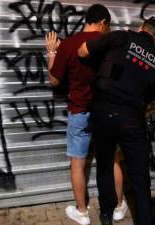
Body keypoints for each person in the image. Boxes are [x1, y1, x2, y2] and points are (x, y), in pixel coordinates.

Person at [77, 17, 155, 225]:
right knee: (140, 176)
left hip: (104, 113)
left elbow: (82, 51)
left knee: (105, 165)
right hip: (132, 120)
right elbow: (149, 99)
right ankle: (145, 220)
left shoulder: (121, 37)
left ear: (141, 28)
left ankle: (107, 214)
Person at [45, 4, 111, 225]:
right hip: (106, 112)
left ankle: (82, 213)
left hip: (79, 111)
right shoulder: (109, 46)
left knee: (77, 164)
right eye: (107, 27)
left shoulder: (71, 44)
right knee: (113, 160)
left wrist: (52, 51)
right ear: (102, 23)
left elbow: (54, 81)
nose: (107, 32)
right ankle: (119, 206)